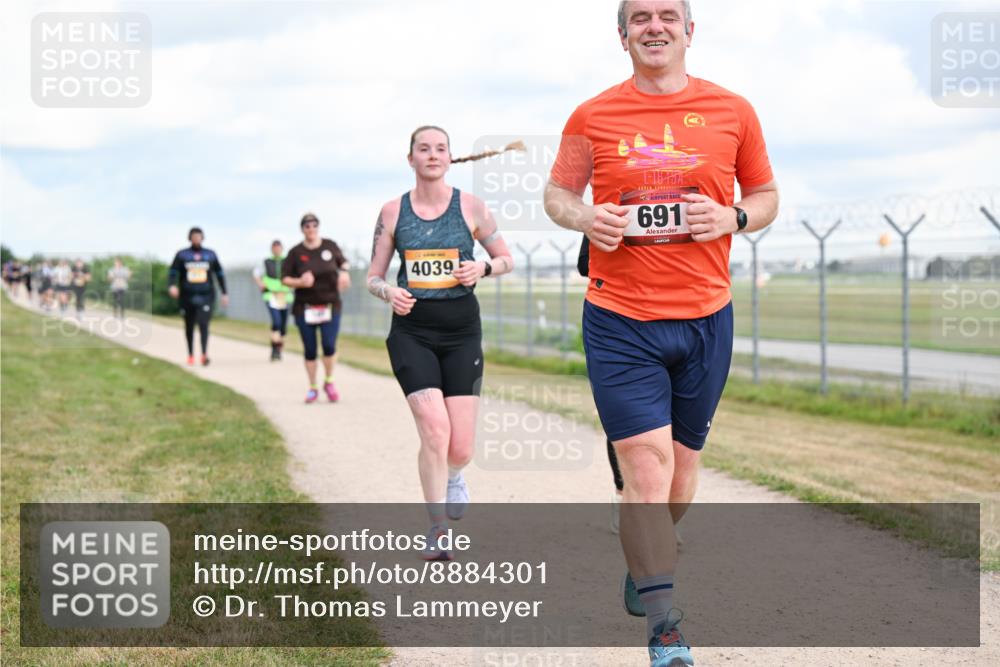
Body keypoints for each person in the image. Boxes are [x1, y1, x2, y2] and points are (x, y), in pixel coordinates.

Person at [544, 2, 779, 665]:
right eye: (640, 17)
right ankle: (663, 623)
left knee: (678, 482)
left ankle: (644, 556)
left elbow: (766, 195)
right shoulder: (593, 116)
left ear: (688, 31)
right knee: (646, 470)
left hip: (706, 317)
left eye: (667, 16)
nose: (655, 26)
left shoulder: (733, 111)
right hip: (620, 318)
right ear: (622, 36)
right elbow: (558, 194)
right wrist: (587, 218)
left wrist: (732, 215)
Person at [367, 126, 516, 560]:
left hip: (461, 333)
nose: (432, 155)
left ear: (450, 158)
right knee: (434, 429)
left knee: (461, 446)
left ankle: (454, 474)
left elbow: (506, 258)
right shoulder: (393, 212)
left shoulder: (471, 207)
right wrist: (387, 293)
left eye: (440, 148)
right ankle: (436, 530)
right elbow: (373, 276)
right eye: (423, 149)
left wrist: (484, 270)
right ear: (410, 158)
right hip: (412, 331)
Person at [281, 215, 350, 402]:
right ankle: (312, 387)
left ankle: (329, 381)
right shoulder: (295, 252)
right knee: (310, 349)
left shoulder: (330, 246)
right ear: (302, 229)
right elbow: (285, 279)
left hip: (329, 305)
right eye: (307, 226)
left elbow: (344, 262)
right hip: (305, 307)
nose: (311, 228)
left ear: (318, 227)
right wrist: (300, 282)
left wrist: (344, 273)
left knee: (329, 345)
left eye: (314, 225)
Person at [168, 227, 228, 366]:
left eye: (198, 236)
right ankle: (190, 355)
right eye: (194, 236)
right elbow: (173, 272)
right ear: (190, 238)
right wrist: (172, 285)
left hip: (206, 295)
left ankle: (204, 354)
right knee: (189, 326)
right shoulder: (182, 255)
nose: (196, 238)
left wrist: (224, 292)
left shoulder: (210, 254)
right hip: (187, 296)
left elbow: (219, 274)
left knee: (203, 325)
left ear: (202, 237)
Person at [253, 240, 293, 361]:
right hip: (271, 296)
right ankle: (275, 350)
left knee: (283, 326)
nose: (276, 250)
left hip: (285, 296)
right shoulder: (266, 261)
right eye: (274, 248)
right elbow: (256, 273)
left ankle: (279, 348)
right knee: (276, 322)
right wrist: (261, 284)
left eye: (278, 248)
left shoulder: (288, 261)